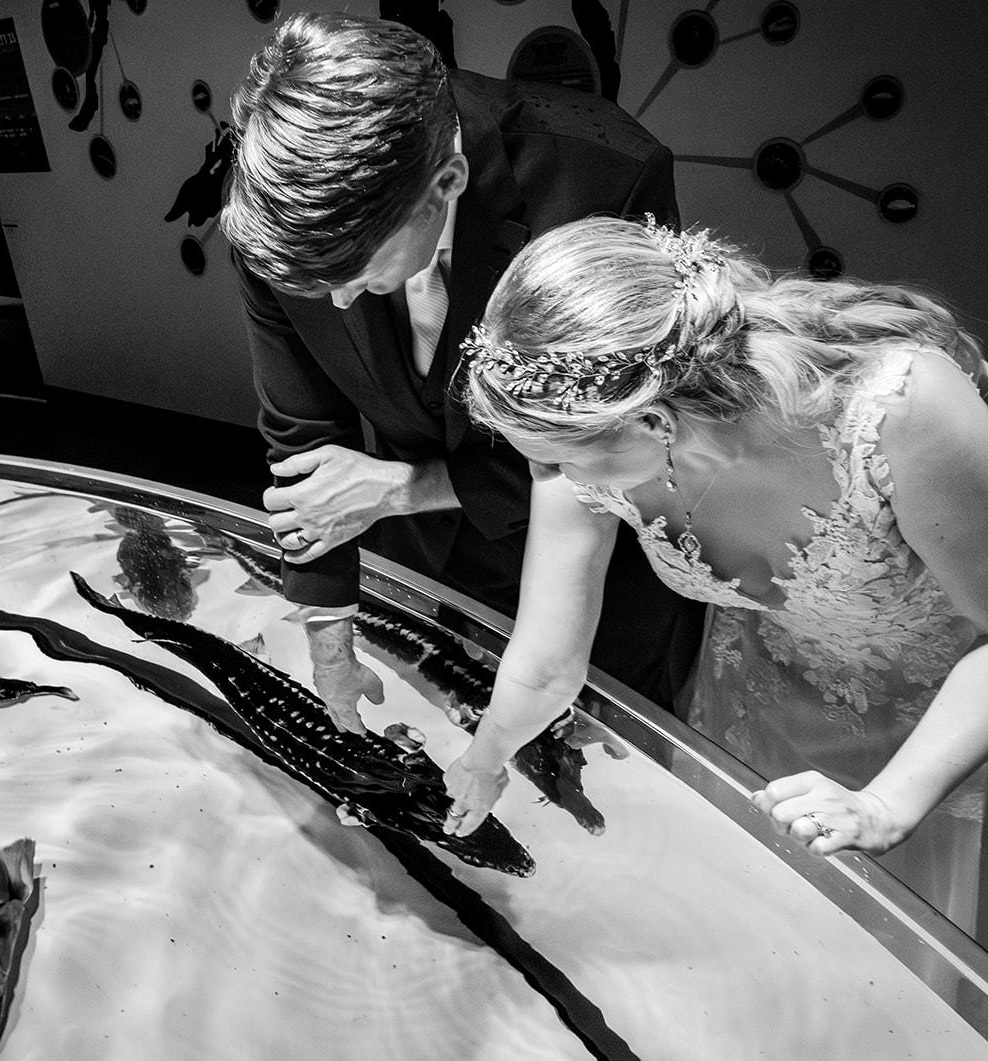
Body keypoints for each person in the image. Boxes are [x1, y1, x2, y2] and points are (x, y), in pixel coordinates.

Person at [439, 213, 988, 1059]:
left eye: (561, 458)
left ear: (655, 423)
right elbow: (549, 655)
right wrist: (485, 755)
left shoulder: (898, 406)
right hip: (777, 693)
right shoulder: (582, 453)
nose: (549, 477)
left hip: (972, 688)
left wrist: (885, 802)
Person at [218, 11, 705, 731]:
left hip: (594, 582)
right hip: (417, 564)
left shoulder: (606, 177)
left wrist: (401, 489)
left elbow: (620, 443)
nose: (339, 302)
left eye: (357, 275)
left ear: (447, 181)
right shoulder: (283, 217)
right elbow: (305, 442)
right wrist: (329, 640)